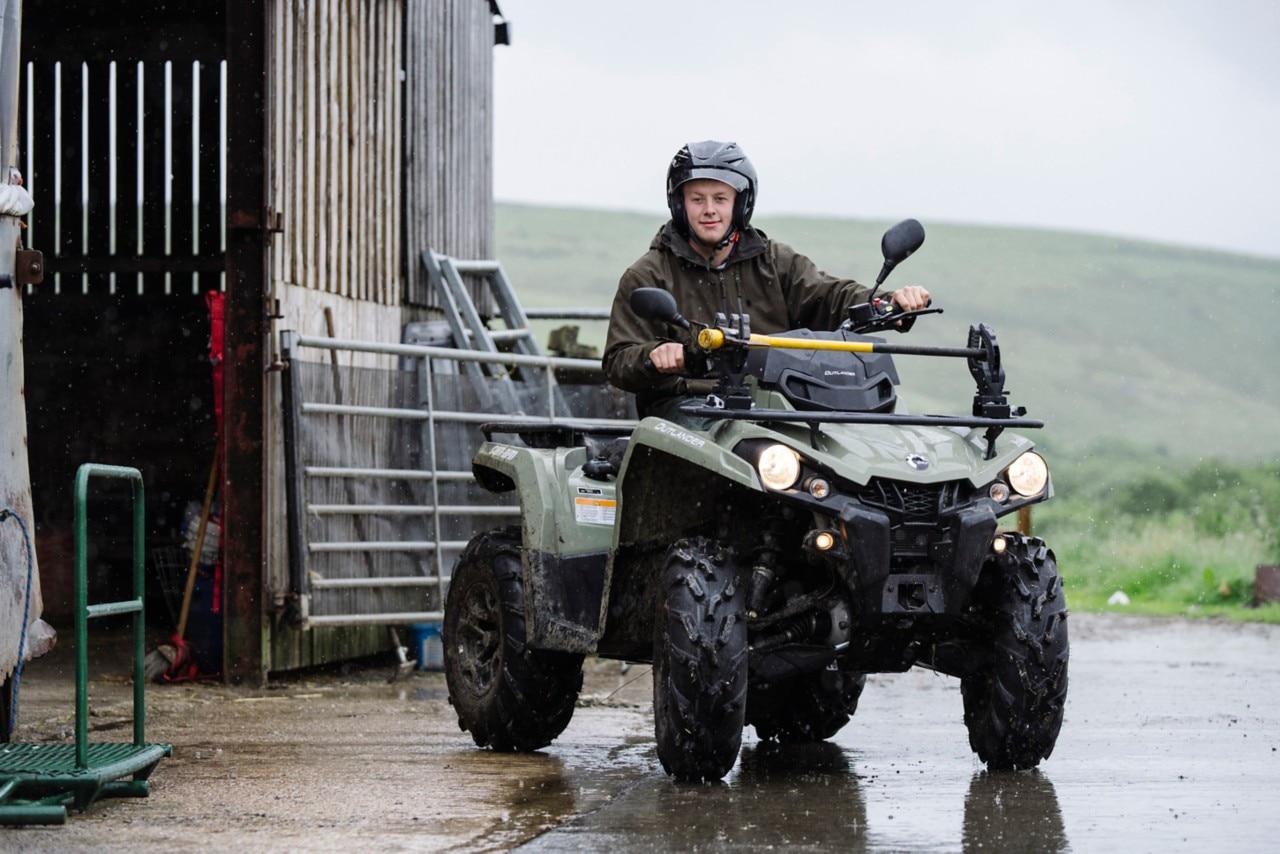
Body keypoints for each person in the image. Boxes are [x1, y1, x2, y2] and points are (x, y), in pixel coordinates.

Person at [603, 139, 931, 421]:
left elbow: (828, 295)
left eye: (720, 198)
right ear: (679, 203)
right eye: (697, 199)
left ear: (740, 203)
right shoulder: (649, 274)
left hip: (778, 402)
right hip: (689, 406)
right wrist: (657, 356)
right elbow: (618, 361)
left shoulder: (773, 261)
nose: (709, 210)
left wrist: (887, 303)